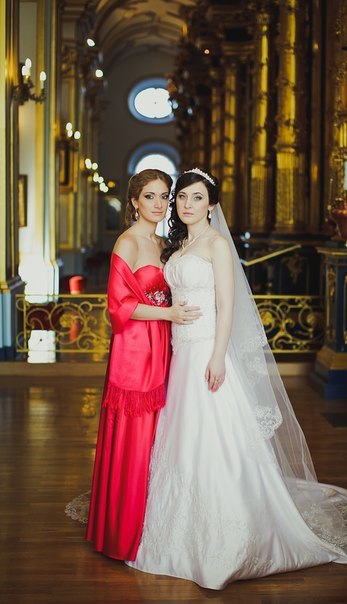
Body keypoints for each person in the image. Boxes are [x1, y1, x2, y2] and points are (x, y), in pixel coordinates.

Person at [126, 168, 347, 589]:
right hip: (179, 355)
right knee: (181, 439)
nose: (187, 204)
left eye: (197, 198)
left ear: (212, 205)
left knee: (215, 439)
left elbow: (227, 305)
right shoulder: (179, 246)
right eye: (182, 198)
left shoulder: (216, 245)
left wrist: (217, 357)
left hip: (206, 352)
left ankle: (230, 539)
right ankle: (178, 528)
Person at [67, 169, 201, 561]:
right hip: (135, 347)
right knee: (136, 435)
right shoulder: (127, 242)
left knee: (162, 433)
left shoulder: (165, 243)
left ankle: (157, 521)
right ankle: (123, 530)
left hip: (167, 343)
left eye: (164, 197)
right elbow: (118, 306)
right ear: (134, 202)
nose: (159, 204)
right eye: (150, 197)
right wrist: (168, 314)